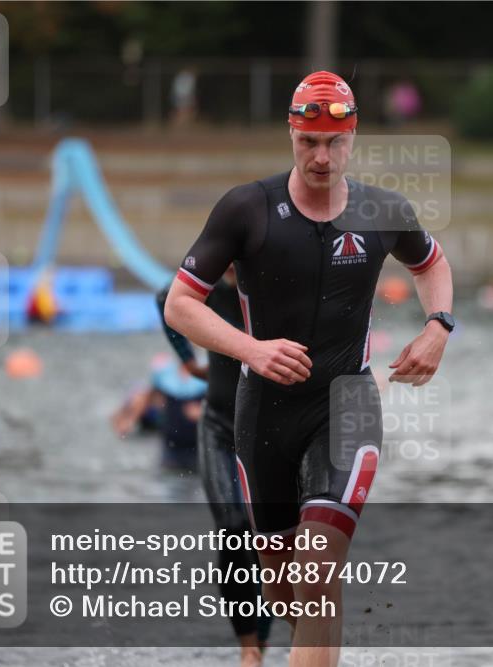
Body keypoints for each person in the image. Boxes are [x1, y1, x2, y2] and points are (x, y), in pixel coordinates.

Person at [164, 70, 454, 667]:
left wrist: (438, 326)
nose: (322, 158)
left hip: (346, 405)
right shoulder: (248, 209)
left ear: (353, 137)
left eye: (335, 143)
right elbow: (179, 304)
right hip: (263, 411)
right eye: (308, 143)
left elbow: (432, 263)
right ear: (291, 134)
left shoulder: (383, 209)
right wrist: (253, 349)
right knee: (284, 589)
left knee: (319, 567)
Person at [157, 271, 273, 667]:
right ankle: (249, 648)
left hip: (274, 432)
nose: (228, 269)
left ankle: (267, 639)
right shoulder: (206, 289)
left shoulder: (271, 283)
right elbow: (164, 299)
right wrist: (189, 362)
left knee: (271, 539)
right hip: (221, 428)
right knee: (233, 529)